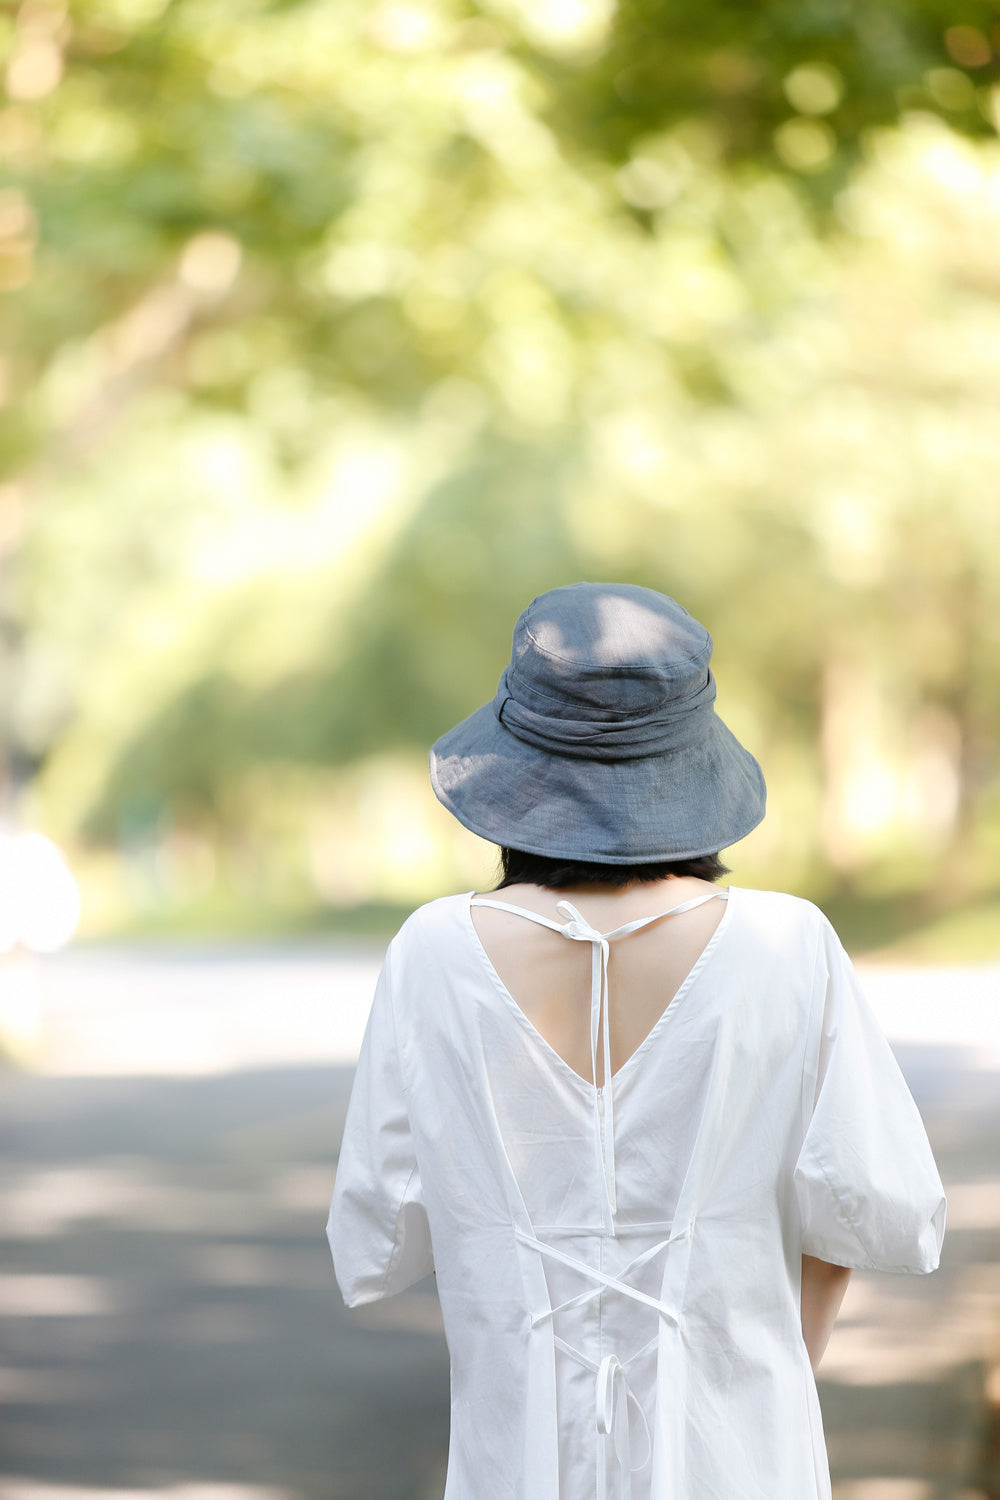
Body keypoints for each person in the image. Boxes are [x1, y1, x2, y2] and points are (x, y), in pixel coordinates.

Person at [328, 582, 946, 1500]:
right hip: (741, 1457)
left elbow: (380, 1233)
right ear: (689, 765)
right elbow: (862, 1213)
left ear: (518, 768)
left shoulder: (433, 953)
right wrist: (753, 1394)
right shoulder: (790, 945)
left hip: (516, 1461)